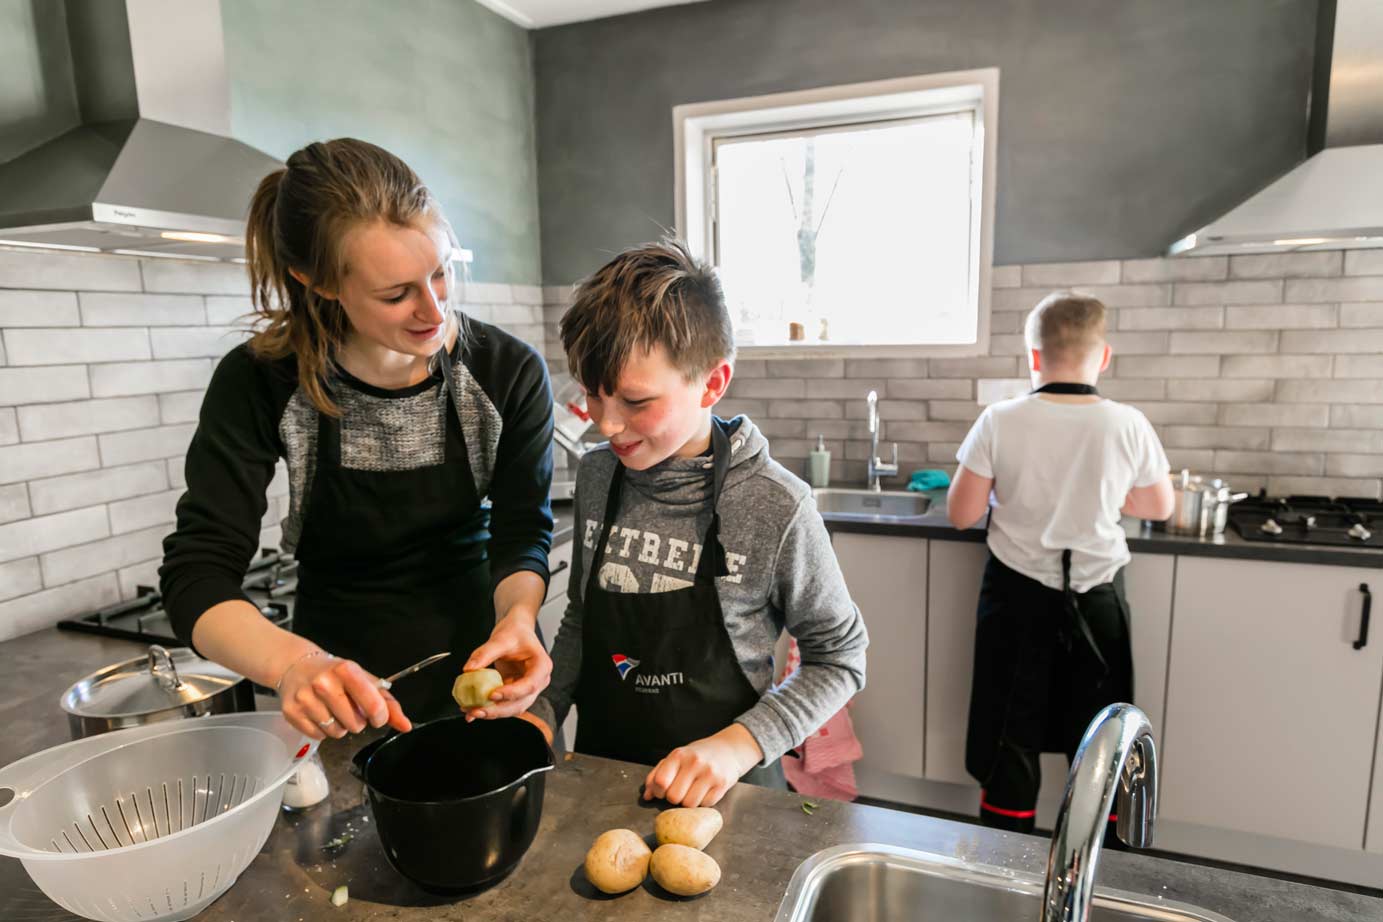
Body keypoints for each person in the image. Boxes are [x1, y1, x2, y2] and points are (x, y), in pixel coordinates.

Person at [160, 139, 556, 741]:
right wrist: (295, 666)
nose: (432, 310)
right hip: (340, 697)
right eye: (396, 294)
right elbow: (197, 573)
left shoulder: (506, 373)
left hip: (489, 665)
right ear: (316, 281)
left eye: (440, 274)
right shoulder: (262, 381)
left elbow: (523, 529)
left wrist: (520, 620)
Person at [526, 238, 868, 808]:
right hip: (602, 779)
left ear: (711, 383)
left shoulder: (775, 504)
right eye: (593, 395)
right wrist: (543, 712)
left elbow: (841, 655)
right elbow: (583, 620)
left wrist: (738, 746)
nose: (607, 425)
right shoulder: (596, 478)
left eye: (635, 401)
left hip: (732, 797)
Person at [946, 290, 1174, 833]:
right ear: (1104, 356)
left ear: (1033, 357)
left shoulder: (1000, 419)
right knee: (1100, 735)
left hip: (1016, 599)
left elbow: (962, 513)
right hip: (1098, 601)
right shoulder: (1127, 423)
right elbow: (1159, 506)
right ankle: (1095, 864)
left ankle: (1005, 864)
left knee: (1011, 735)